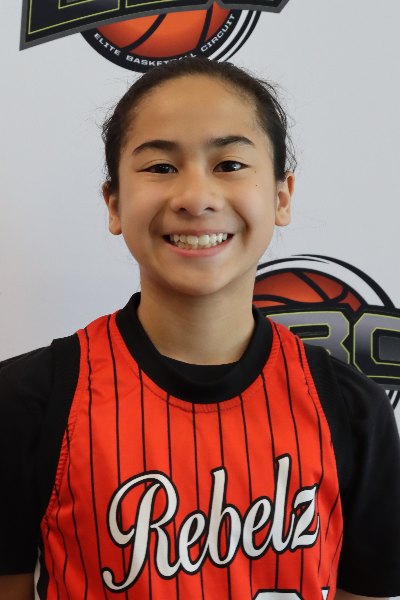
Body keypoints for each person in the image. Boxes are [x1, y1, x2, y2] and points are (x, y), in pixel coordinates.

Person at [1, 57, 400, 600]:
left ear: (281, 197)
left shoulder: (353, 411)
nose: (195, 197)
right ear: (114, 203)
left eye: (229, 164)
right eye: (161, 167)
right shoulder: (26, 401)